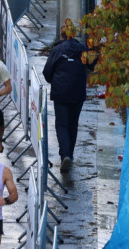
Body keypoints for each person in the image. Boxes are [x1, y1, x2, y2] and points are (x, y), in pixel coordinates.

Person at [42, 28, 93, 172]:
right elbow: (92, 65)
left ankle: (65, 155)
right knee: (73, 124)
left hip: (61, 92)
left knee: (62, 124)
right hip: (78, 91)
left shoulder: (57, 50)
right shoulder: (83, 49)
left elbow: (47, 72)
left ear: (61, 35)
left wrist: (55, 81)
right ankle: (69, 154)